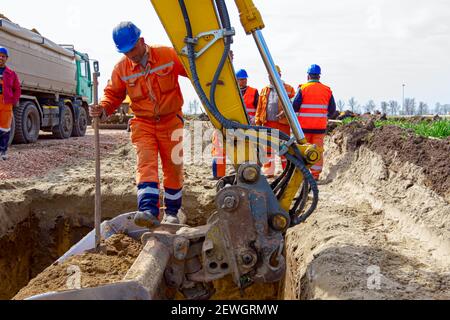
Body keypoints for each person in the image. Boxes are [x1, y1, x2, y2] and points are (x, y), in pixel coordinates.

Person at [90, 22, 188, 227]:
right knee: (146, 163)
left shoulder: (167, 55)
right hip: (143, 123)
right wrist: (103, 108)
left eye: (133, 49)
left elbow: (194, 71)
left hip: (171, 121)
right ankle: (148, 210)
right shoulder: (122, 68)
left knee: (173, 167)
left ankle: (172, 212)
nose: (131, 55)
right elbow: (113, 95)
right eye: (126, 52)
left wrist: (218, 66)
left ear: (141, 41)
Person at [211, 69, 259, 180]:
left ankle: (246, 173)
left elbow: (259, 108)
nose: (244, 81)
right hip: (230, 126)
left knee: (246, 151)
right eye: (242, 79)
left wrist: (255, 119)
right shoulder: (229, 92)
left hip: (248, 126)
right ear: (236, 80)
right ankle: (218, 175)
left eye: (245, 79)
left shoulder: (254, 91)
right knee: (219, 151)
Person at [292, 64, 336, 181]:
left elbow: (294, 106)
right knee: (317, 151)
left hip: (304, 128)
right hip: (319, 128)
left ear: (308, 76)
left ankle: (302, 174)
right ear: (319, 76)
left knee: (302, 150)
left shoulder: (303, 88)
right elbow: (332, 110)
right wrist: (323, 117)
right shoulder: (327, 90)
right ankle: (315, 175)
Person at [255, 65, 296, 177]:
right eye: (269, 75)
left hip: (282, 124)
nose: (271, 77)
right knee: (267, 149)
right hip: (268, 123)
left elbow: (294, 104)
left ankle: (286, 171)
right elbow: (259, 108)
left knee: (284, 149)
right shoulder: (264, 90)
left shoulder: (288, 89)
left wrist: (285, 112)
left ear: (279, 75)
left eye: (273, 74)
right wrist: (258, 122)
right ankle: (269, 171)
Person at [0, 47, 21, 161]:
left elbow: (17, 89)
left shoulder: (11, 74)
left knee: (5, 129)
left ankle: (3, 151)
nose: (1, 58)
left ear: (6, 58)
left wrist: (13, 101)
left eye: (3, 56)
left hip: (6, 103)